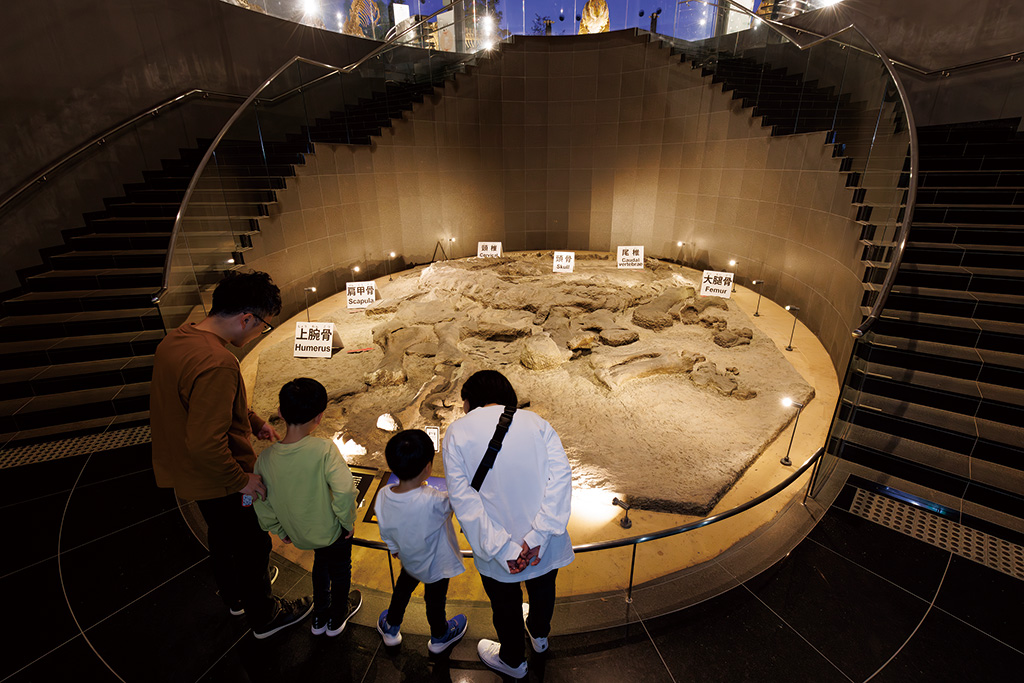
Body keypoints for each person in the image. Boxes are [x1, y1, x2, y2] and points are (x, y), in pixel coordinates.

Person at [150, 271, 313, 639]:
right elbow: (206, 443)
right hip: (221, 475)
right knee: (253, 542)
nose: (259, 333)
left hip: (192, 473)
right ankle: (265, 615)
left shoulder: (176, 339)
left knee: (222, 536)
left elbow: (197, 404)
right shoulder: (218, 362)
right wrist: (242, 480)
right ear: (247, 318)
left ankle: (235, 595)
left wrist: (252, 421)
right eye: (263, 326)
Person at [442, 370, 574, 680]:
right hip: (543, 546)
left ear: (470, 398)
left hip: (494, 545)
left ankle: (513, 660)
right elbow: (561, 478)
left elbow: (463, 499)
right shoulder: (537, 423)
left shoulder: (456, 433)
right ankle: (539, 636)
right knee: (543, 590)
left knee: (504, 602)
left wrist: (502, 547)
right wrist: (538, 535)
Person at [253, 378, 362, 636]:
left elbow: (261, 502)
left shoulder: (264, 459)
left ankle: (319, 616)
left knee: (320, 564)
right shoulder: (324, 449)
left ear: (280, 412)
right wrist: (347, 522)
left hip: (300, 533)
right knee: (340, 569)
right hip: (334, 531)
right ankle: (337, 616)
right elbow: (345, 491)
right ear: (319, 417)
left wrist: (279, 530)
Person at [374, 430, 468, 654]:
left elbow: (385, 528)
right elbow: (458, 501)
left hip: (409, 559)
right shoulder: (434, 500)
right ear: (428, 467)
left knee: (402, 590)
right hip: (437, 564)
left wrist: (394, 548)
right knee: (435, 600)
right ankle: (440, 635)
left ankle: (391, 626)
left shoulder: (384, 494)